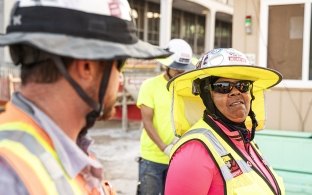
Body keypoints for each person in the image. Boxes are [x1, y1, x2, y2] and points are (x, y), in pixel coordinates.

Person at [0, 0, 170, 194]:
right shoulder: (8, 179)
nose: (120, 78)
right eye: (119, 64)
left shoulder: (69, 146)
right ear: (87, 67)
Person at [165, 48, 286, 195]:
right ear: (206, 96)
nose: (236, 92)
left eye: (243, 86)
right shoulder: (194, 151)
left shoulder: (245, 139)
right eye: (223, 87)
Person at [136, 39, 195, 195]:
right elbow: (147, 121)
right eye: (176, 69)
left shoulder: (187, 86)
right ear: (166, 65)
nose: (180, 72)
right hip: (152, 158)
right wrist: (165, 148)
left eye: (183, 69)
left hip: (179, 158)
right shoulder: (150, 86)